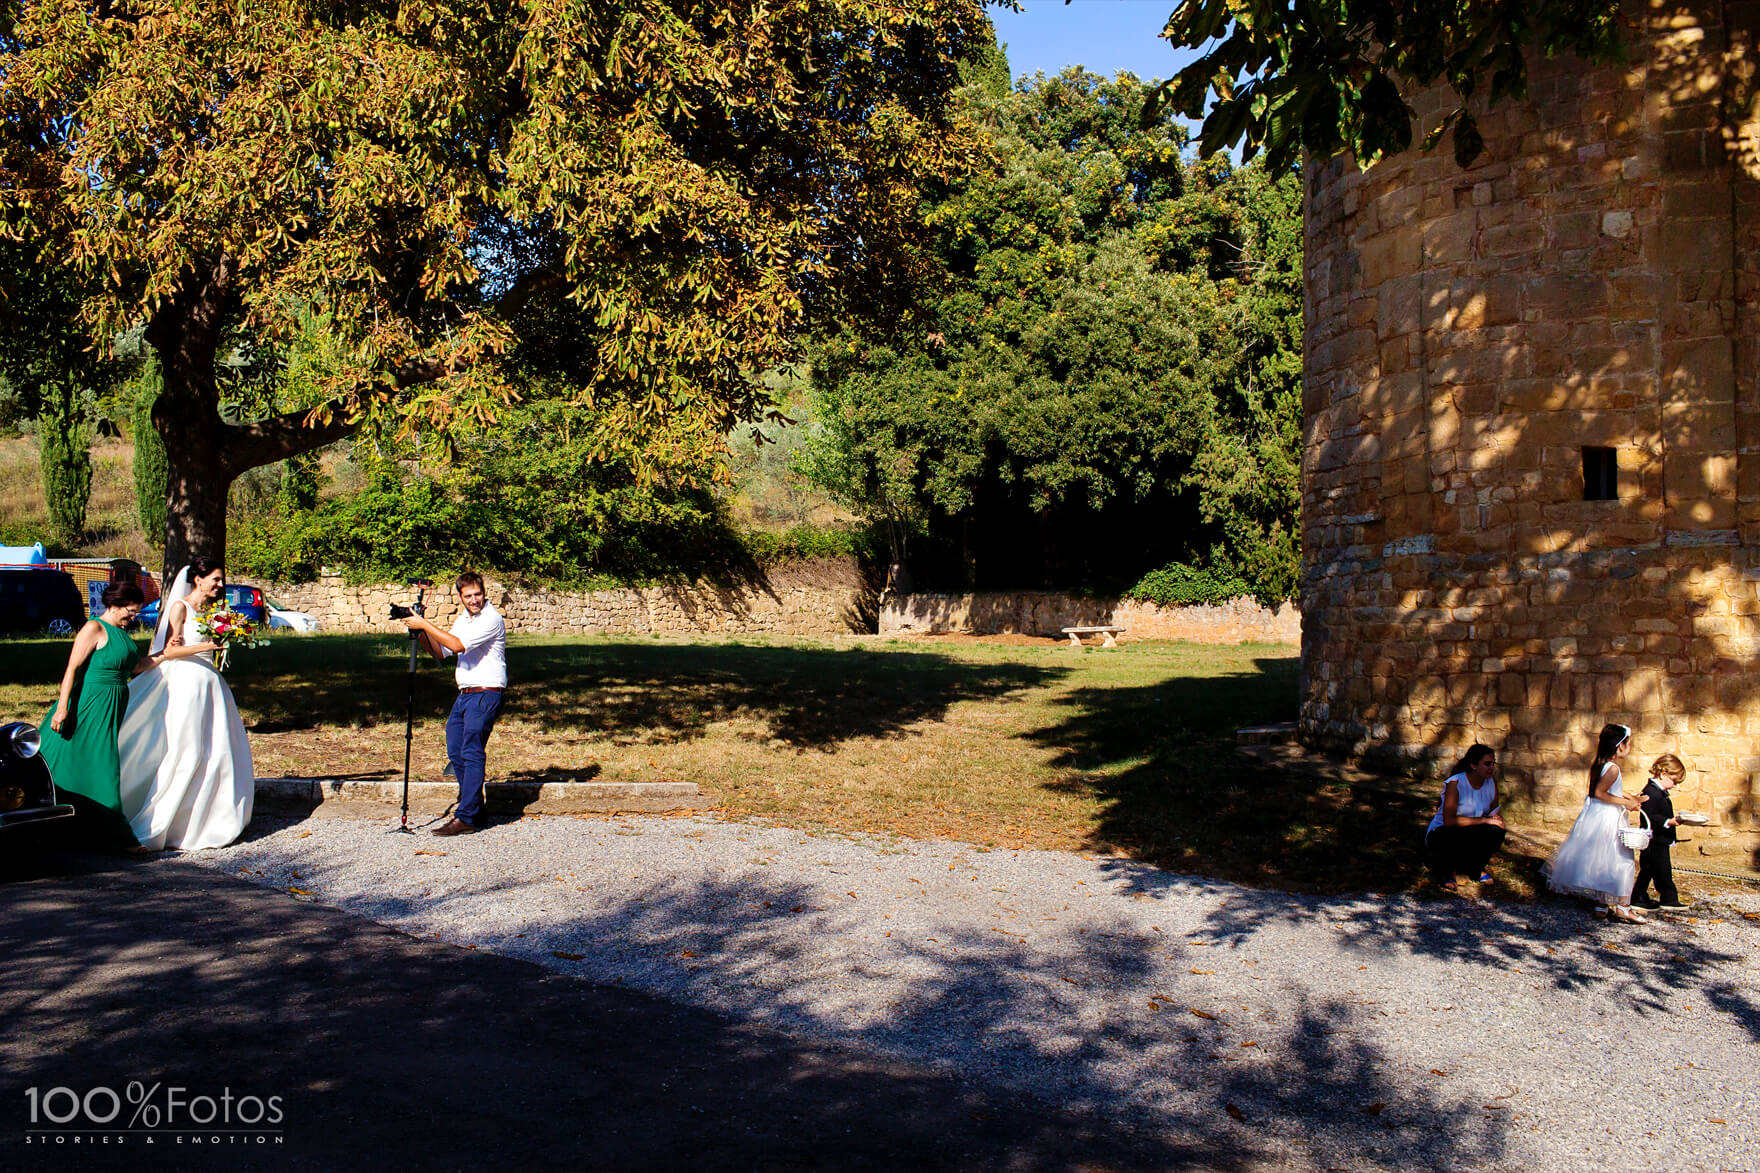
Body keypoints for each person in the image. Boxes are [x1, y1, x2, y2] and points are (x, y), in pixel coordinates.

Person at [38, 582, 199, 851]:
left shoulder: (122, 634)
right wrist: (63, 706)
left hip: (110, 708)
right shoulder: (94, 629)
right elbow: (72, 669)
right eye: (130, 611)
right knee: (103, 766)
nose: (133, 616)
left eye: (135, 612)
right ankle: (122, 838)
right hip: (88, 705)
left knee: (92, 763)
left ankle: (80, 827)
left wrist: (165, 654)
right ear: (115, 605)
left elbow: (137, 666)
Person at [117, 558, 256, 851]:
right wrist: (208, 645)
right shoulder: (180, 607)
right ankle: (164, 820)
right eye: (215, 579)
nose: (220, 585)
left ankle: (206, 817)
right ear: (198, 579)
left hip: (210, 683)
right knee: (187, 748)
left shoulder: (213, 612)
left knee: (216, 749)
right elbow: (171, 650)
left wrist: (226, 637)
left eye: (220, 580)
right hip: (186, 683)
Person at [401, 571, 506, 836]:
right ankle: (475, 807)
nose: (474, 600)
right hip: (465, 694)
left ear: (484, 593)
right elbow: (441, 651)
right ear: (460, 597)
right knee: (455, 749)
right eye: (468, 596)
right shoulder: (464, 620)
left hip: (485, 692)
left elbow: (458, 646)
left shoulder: (491, 617)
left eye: (477, 594)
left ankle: (466, 816)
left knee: (471, 751)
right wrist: (418, 630)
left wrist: (424, 624)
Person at [1544, 723, 1647, 923]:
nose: (1630, 747)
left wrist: (1632, 796)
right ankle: (1623, 906)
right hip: (1609, 819)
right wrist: (1627, 803)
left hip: (1599, 816)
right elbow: (1600, 793)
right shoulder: (1614, 769)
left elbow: (1610, 789)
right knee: (1622, 860)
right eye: (1629, 744)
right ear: (1620, 746)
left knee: (1604, 859)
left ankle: (1601, 904)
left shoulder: (1603, 765)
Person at [1424, 743, 1506, 892]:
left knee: (1496, 831)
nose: (1491, 768)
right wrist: (1484, 820)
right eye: (1487, 764)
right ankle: (1448, 870)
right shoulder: (1455, 783)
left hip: (1471, 831)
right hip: (1444, 832)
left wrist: (1497, 821)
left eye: (1493, 763)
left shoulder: (1491, 783)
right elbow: (1449, 821)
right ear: (1473, 765)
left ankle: (1475, 868)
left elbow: (1494, 812)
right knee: (1454, 834)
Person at [1634, 753, 1687, 911]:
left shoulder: (1659, 792)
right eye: (1674, 781)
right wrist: (1668, 822)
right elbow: (1650, 815)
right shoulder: (1651, 792)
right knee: (1660, 870)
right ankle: (1668, 898)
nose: (1674, 785)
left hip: (1659, 839)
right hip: (1653, 839)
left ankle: (1638, 897)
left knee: (1651, 870)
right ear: (1664, 774)